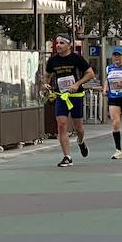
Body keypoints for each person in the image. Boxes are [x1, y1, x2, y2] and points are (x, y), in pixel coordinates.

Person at [46, 34, 94, 167]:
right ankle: (67, 157)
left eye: (61, 43)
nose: (58, 45)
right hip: (61, 96)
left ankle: (80, 141)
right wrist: (45, 83)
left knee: (78, 127)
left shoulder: (76, 59)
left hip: (76, 97)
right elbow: (46, 75)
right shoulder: (53, 60)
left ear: (69, 45)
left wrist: (77, 84)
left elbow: (90, 73)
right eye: (57, 43)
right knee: (61, 124)